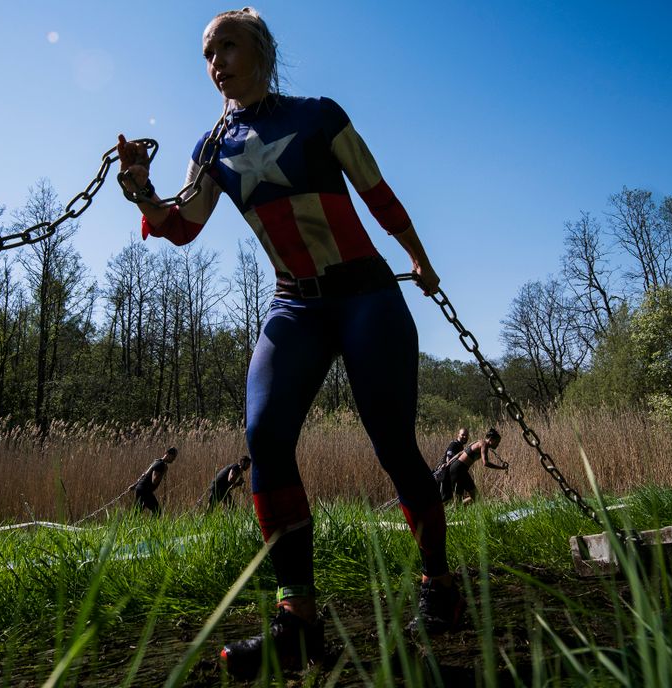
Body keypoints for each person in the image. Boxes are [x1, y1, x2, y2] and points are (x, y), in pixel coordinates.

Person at [117, 7, 460, 677]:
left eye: (229, 46)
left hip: (366, 296)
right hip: (292, 306)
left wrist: (418, 258)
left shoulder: (319, 115)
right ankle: (296, 620)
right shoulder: (211, 147)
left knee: (394, 444)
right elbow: (181, 226)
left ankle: (439, 583)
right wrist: (140, 190)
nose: (216, 61)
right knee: (266, 438)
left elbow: (378, 193)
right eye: (208, 52)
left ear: (262, 52)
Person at [447, 428, 508, 505]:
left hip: (459, 469)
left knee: (475, 497)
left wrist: (449, 463)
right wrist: (501, 468)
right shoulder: (484, 444)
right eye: (497, 442)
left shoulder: (478, 442)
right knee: (464, 499)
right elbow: (485, 463)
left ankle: (455, 509)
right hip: (458, 470)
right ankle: (454, 510)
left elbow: (460, 453)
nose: (497, 445)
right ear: (491, 439)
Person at [134, 447, 177, 515]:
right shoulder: (161, 464)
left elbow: (145, 474)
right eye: (174, 457)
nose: (174, 459)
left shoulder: (156, 461)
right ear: (168, 454)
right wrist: (163, 472)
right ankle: (150, 525)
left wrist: (135, 485)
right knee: (157, 512)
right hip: (145, 490)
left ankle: (132, 524)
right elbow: (154, 480)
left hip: (140, 488)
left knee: (137, 513)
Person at [435, 427, 469, 502]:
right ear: (458, 435)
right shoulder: (454, 444)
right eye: (463, 435)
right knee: (444, 500)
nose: (465, 437)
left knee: (451, 499)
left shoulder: (460, 446)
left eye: (466, 435)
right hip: (444, 476)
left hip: (451, 477)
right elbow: (448, 459)